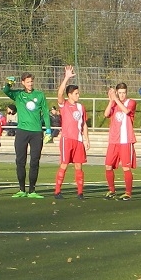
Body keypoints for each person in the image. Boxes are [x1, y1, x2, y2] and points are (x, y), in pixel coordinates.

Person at [3, 73, 51, 198]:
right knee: (20, 161)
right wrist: (9, 83)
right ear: (23, 82)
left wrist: (49, 130)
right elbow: (6, 91)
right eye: (28, 82)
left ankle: (32, 191)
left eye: (31, 82)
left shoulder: (39, 95)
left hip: (36, 132)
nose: (30, 84)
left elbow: (45, 113)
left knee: (34, 161)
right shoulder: (19, 95)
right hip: (22, 132)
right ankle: (21, 189)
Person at [53, 65, 90, 199]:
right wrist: (66, 78)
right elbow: (59, 93)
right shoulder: (64, 105)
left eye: (78, 93)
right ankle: (57, 191)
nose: (78, 95)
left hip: (78, 140)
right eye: (76, 93)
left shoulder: (81, 107)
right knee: (64, 165)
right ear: (69, 95)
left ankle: (80, 192)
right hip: (67, 139)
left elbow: (84, 124)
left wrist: (86, 139)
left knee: (79, 166)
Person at [103, 83, 137, 200]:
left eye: (124, 93)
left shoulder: (131, 102)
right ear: (117, 92)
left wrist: (116, 99)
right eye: (120, 92)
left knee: (126, 167)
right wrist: (110, 101)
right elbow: (106, 114)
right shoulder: (114, 103)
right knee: (108, 165)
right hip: (113, 140)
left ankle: (128, 193)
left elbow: (127, 111)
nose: (122, 95)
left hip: (125, 140)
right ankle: (112, 190)